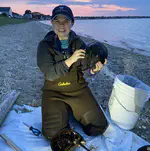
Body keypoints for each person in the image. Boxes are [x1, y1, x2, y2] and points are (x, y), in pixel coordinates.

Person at [37, 5, 108, 151]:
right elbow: (49, 73)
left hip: (78, 90)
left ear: (72, 23)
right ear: (52, 23)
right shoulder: (44, 46)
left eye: (66, 21)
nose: (62, 25)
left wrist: (94, 70)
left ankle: (71, 110)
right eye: (57, 21)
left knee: (98, 127)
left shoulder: (79, 44)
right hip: (54, 93)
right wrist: (70, 59)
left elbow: (85, 68)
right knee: (53, 136)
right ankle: (64, 111)